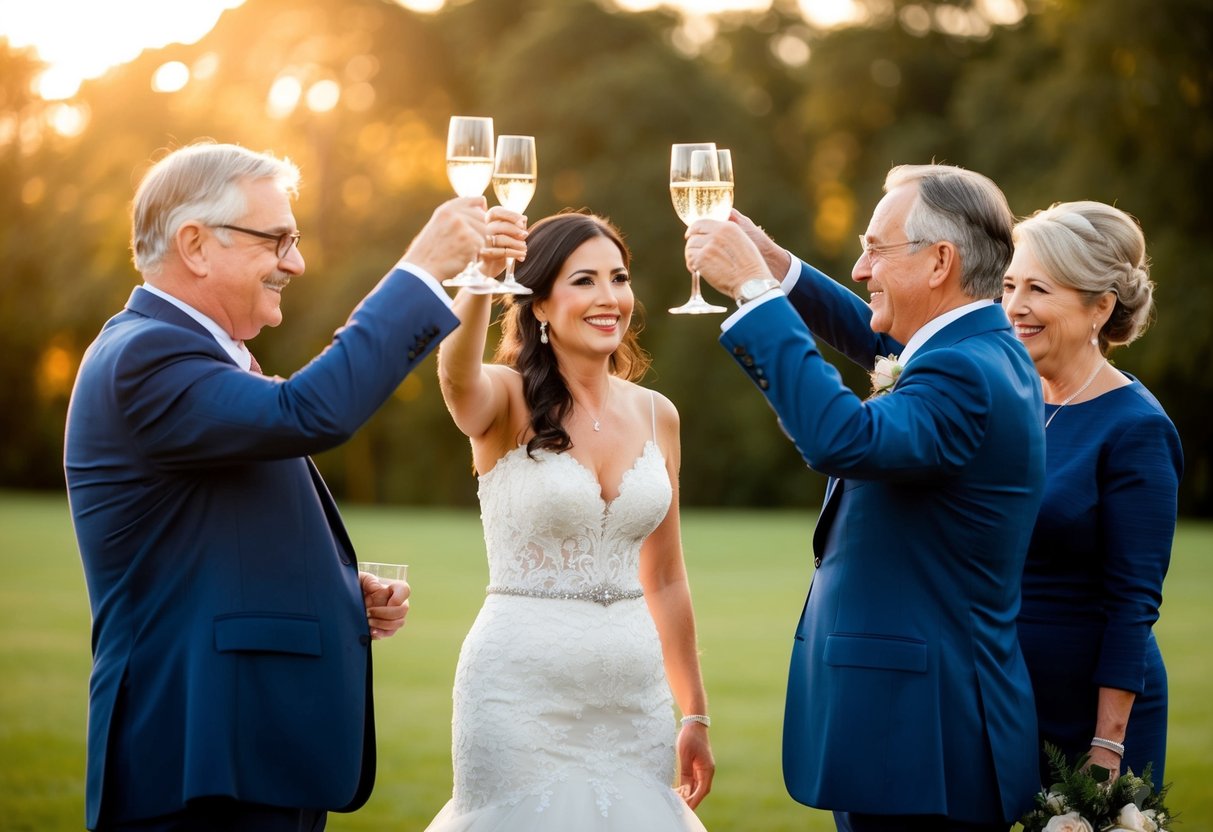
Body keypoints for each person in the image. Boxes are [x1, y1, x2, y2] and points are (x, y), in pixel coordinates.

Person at [64, 141, 486, 831]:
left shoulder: (199, 357)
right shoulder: (144, 355)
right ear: (195, 245)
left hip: (245, 744)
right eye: (277, 240)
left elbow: (215, 530)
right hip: (196, 754)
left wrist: (332, 592)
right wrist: (421, 272)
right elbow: (308, 412)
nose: (296, 262)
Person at [685, 164, 1045, 832]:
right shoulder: (976, 346)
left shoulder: (963, 372)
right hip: (916, 727)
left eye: (875, 249)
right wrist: (776, 264)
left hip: (923, 741)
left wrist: (754, 292)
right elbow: (878, 339)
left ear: (940, 261)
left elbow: (841, 437)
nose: (858, 268)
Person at [426, 209, 714, 831]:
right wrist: (481, 274)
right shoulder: (503, 398)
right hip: (517, 695)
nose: (610, 298)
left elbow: (665, 577)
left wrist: (693, 711)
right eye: (584, 281)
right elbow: (454, 374)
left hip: (634, 701)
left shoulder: (659, 414)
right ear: (539, 306)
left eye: (619, 277)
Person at [1003, 201, 1182, 784]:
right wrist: (774, 269)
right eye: (1009, 285)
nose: (1014, 306)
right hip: (1001, 699)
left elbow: (1133, 606)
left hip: (1090, 716)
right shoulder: (1008, 396)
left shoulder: (1136, 428)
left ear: (1100, 307)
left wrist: (1107, 747)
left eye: (1038, 289)